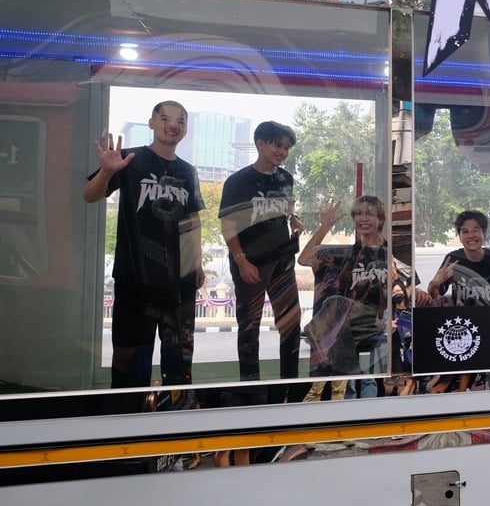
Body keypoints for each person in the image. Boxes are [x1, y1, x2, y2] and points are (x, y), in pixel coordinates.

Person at [83, 101, 204, 396]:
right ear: (151, 123)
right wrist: (106, 172)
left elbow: (193, 221)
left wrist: (197, 264)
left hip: (178, 282)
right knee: (129, 361)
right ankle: (125, 415)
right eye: (165, 119)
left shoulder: (188, 171)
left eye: (180, 121)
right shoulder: (129, 159)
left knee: (178, 362)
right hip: (134, 277)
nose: (173, 125)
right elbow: (89, 195)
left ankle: (175, 415)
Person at [219, 121, 303, 399]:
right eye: (278, 145)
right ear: (260, 143)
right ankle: (250, 389)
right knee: (249, 326)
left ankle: (288, 388)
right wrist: (241, 261)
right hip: (251, 262)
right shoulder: (238, 181)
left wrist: (294, 219)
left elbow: (288, 207)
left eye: (286, 148)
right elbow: (228, 225)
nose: (283, 152)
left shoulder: (285, 178)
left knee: (291, 323)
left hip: (282, 261)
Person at [299, 196, 393, 401]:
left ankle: (315, 334)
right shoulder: (349, 253)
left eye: (369, 213)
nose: (363, 218)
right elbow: (304, 259)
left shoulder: (390, 253)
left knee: (332, 305)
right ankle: (347, 379)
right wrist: (325, 226)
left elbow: (406, 287)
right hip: (345, 322)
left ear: (380, 218)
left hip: (373, 319)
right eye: (358, 214)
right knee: (335, 316)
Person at [427, 210, 490, 305]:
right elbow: (433, 294)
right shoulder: (453, 259)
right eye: (465, 232)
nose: (471, 235)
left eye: (475, 230)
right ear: (460, 237)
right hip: (464, 318)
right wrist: (435, 283)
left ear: (484, 234)